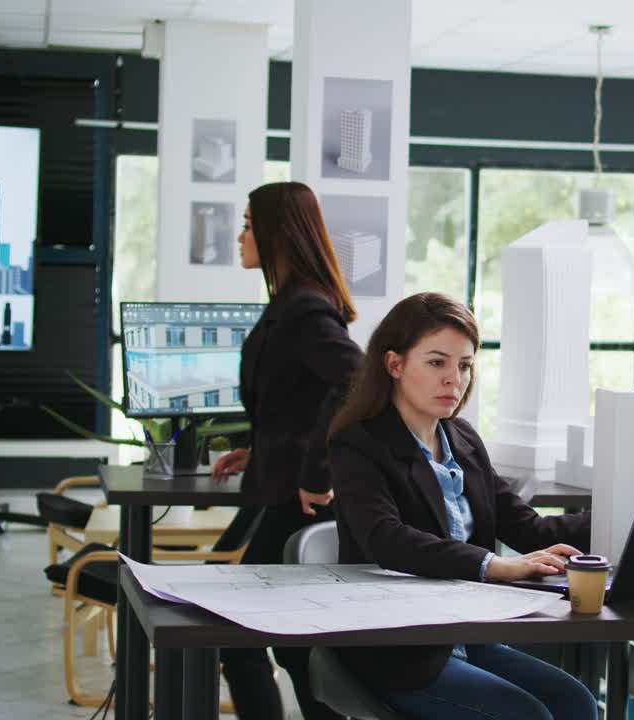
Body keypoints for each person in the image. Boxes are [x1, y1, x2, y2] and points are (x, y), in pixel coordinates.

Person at [327, 292, 597, 720]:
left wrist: (620, 519)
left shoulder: (463, 439)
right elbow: (386, 539)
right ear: (395, 364)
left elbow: (528, 530)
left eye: (465, 364)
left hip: (466, 633)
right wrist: (494, 564)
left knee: (576, 703)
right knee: (529, 716)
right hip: (399, 648)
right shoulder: (359, 444)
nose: (455, 379)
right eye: (437, 363)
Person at [211, 181, 362, 720]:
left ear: (276, 232)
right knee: (295, 648)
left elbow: (355, 380)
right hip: (281, 488)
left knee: (239, 638)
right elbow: (303, 396)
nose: (240, 236)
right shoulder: (295, 301)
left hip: (300, 502)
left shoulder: (302, 308)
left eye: (249, 224)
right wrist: (259, 447)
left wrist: (317, 473)